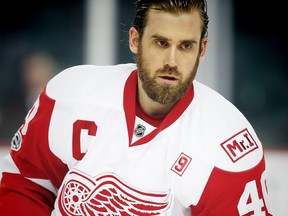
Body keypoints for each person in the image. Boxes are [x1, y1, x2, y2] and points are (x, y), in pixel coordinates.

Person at [0, 0, 273, 215]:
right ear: (134, 40)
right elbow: (26, 184)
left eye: (186, 46)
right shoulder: (70, 95)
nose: (172, 61)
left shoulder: (227, 145)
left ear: (202, 50)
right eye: (160, 42)